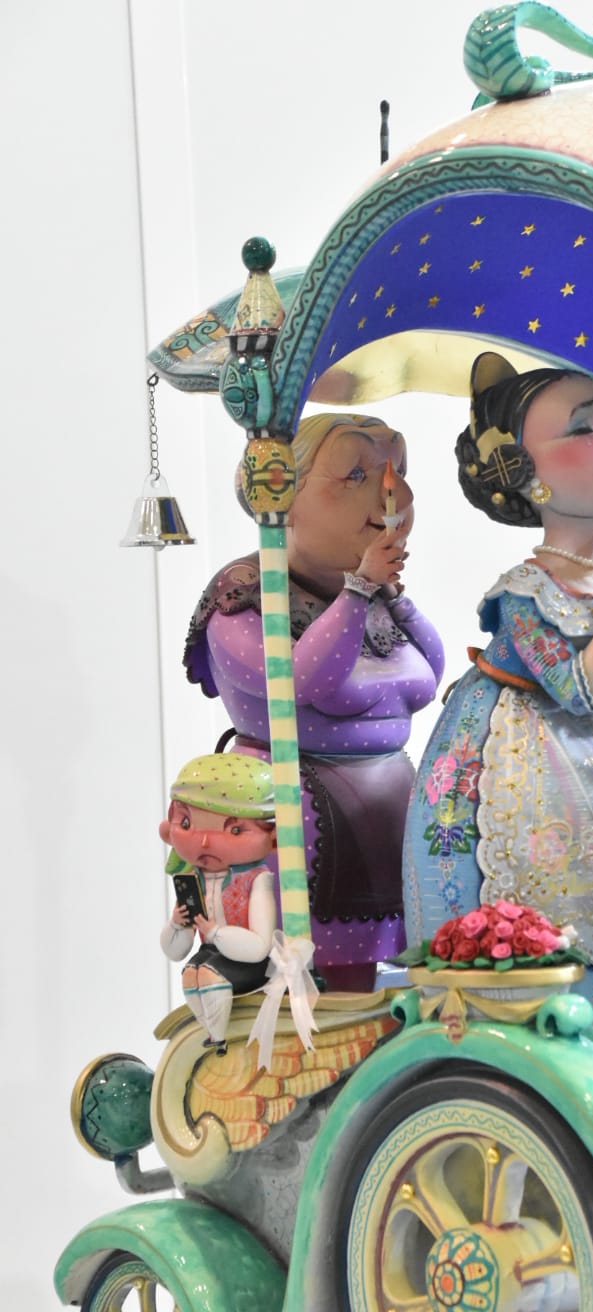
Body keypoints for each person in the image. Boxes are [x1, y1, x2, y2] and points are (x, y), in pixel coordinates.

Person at [402, 353, 593, 1036]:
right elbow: (579, 688)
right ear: (530, 478)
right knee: (534, 894)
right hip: (512, 762)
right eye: (585, 428)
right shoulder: (523, 591)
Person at [184, 413, 445, 989]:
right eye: (355, 474)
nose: (393, 497)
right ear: (283, 500)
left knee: (394, 977)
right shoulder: (245, 599)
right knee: (316, 980)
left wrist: (387, 594)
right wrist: (360, 589)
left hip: (393, 804)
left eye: (398, 470)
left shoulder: (376, 597)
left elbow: (429, 674)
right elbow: (303, 681)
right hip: (303, 807)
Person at [160, 753, 278, 1052]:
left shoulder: (257, 880)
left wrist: (214, 932)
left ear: (273, 835)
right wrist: (177, 923)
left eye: (234, 830)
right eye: (187, 823)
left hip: (250, 963)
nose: (204, 842)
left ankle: (219, 1039)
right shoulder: (194, 878)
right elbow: (175, 951)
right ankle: (212, 1034)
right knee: (190, 974)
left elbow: (259, 946)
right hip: (211, 953)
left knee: (208, 975)